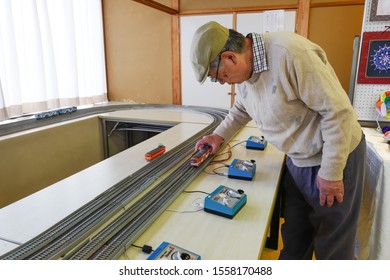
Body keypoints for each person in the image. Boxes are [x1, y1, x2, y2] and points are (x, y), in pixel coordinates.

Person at [190, 21, 366, 260]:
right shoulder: (244, 75)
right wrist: (217, 136)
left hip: (334, 157)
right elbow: (241, 109)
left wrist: (332, 172)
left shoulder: (291, 54)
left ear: (230, 57)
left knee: (333, 246)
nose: (222, 82)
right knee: (294, 237)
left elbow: (338, 112)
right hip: (298, 159)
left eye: (219, 76)